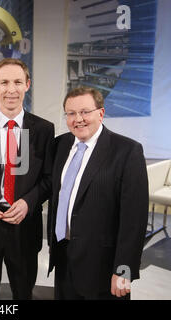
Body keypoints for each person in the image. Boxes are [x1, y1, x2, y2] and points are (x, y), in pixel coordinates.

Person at [47, 87, 148, 300]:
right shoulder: (60, 144)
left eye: (85, 112)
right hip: (64, 260)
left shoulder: (127, 151)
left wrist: (124, 271)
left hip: (103, 268)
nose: (78, 119)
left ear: (100, 113)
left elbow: (134, 220)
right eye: (71, 113)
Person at [0, 58, 54, 299]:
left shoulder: (44, 129)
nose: (11, 89)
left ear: (27, 84)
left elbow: (48, 179)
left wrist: (28, 203)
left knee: (23, 293)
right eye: (4, 82)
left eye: (17, 82)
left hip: (25, 227)